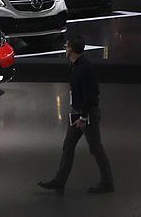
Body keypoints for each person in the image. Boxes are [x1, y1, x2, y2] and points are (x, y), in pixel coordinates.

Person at [39, 36, 113, 195]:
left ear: (71, 49)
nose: (65, 49)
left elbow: (91, 96)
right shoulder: (77, 66)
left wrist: (83, 118)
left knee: (95, 148)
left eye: (66, 47)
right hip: (78, 113)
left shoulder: (84, 69)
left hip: (86, 115)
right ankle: (59, 181)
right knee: (68, 146)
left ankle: (107, 182)